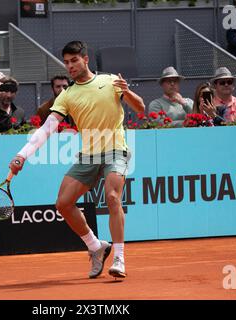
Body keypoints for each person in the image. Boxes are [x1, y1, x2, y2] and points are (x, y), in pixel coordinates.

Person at [9, 41, 145, 279]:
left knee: (112, 197)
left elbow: (141, 109)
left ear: (85, 60)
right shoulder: (67, 95)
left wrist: (127, 91)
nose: (70, 66)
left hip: (116, 149)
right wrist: (22, 155)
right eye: (67, 62)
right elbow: (47, 128)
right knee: (63, 203)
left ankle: (120, 258)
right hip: (88, 154)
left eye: (74, 61)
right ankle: (95, 247)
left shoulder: (110, 81)